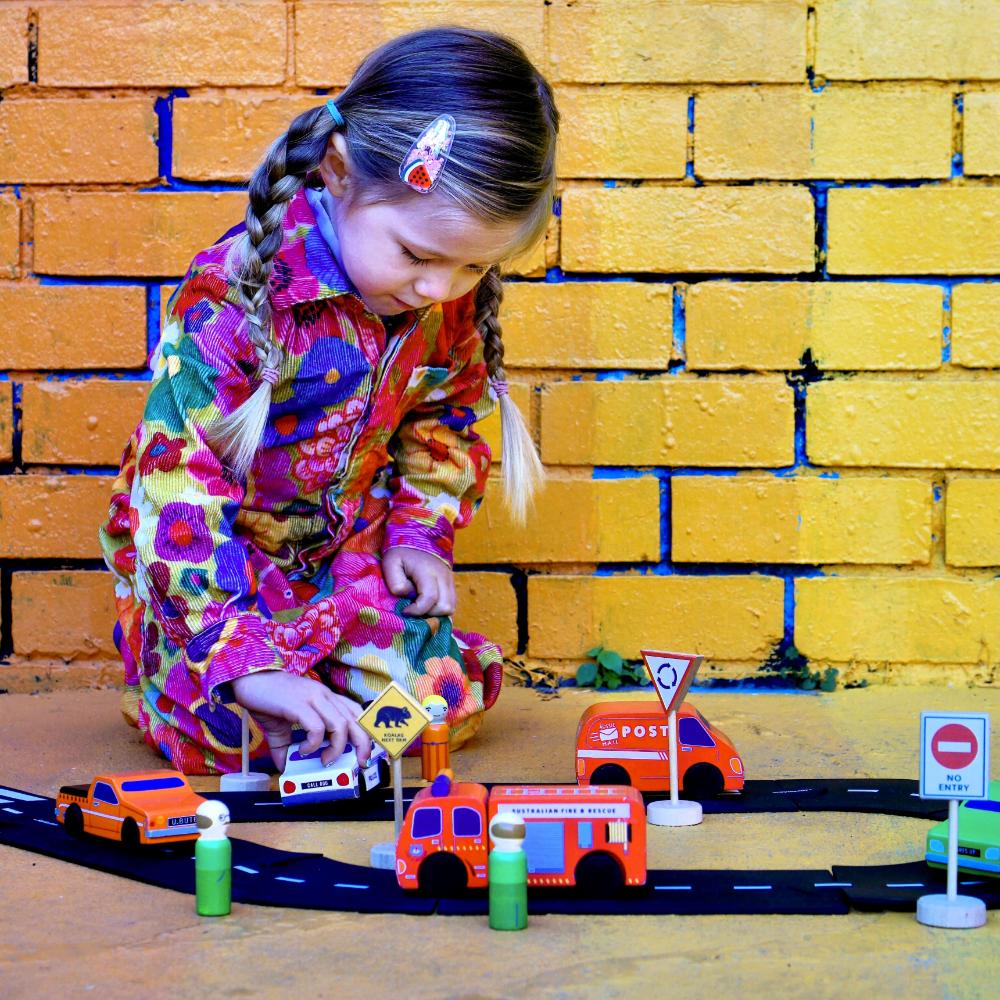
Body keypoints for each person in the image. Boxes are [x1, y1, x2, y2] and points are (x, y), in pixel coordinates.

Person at [99, 27, 558, 776]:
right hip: (217, 564)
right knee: (234, 745)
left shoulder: (444, 307)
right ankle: (193, 686)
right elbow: (176, 483)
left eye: (476, 264)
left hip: (345, 560)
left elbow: (443, 417)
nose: (439, 288)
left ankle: (322, 690)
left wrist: (419, 535)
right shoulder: (235, 293)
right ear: (338, 172)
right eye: (416, 254)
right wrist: (242, 660)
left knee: (430, 711)